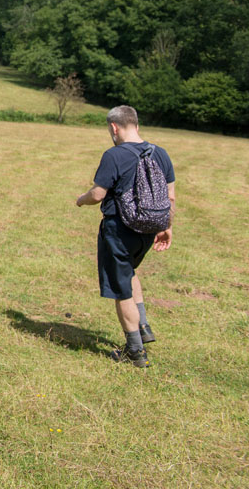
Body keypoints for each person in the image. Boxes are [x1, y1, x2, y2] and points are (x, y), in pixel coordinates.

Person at [75, 105, 175, 368]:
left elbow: (98, 194)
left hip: (120, 230)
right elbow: (170, 197)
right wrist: (167, 226)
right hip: (149, 230)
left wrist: (80, 200)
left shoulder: (114, 155)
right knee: (129, 271)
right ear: (137, 125)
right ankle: (143, 327)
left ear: (113, 128)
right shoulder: (161, 154)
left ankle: (135, 351)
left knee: (122, 290)